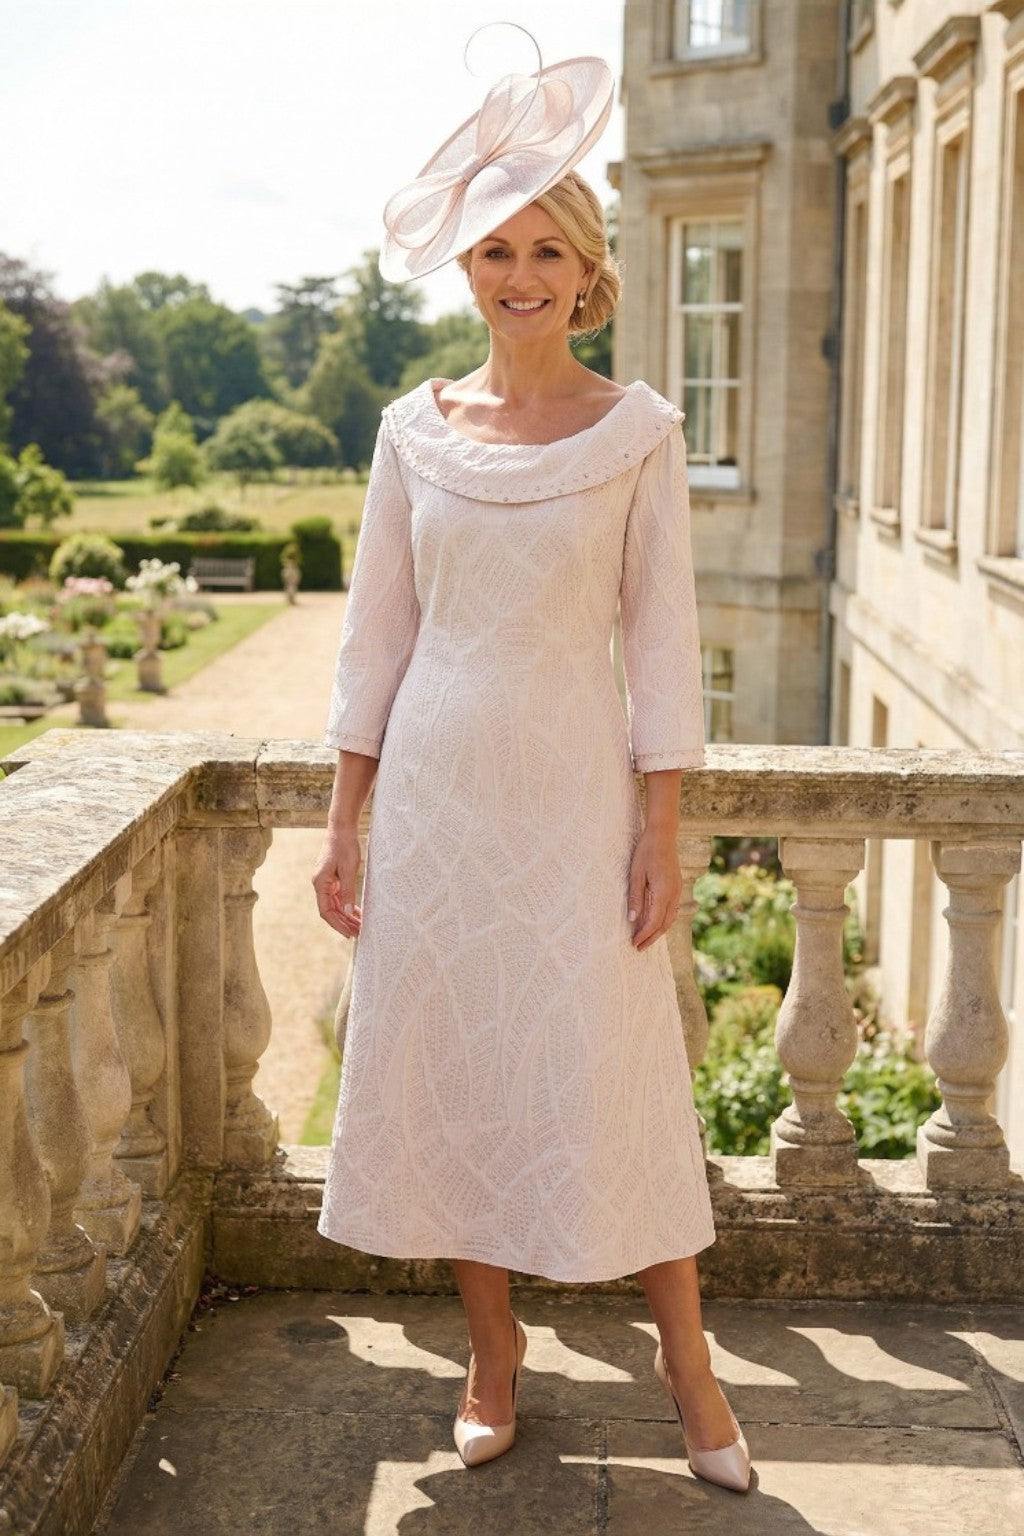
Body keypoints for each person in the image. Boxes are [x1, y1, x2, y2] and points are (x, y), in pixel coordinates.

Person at [311, 42, 752, 1493]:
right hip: (437, 807)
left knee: (611, 1078)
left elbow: (664, 648)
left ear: (588, 269)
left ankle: (693, 1374)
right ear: (469, 267)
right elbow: (374, 645)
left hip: (572, 808)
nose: (518, 273)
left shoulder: (637, 434)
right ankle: (493, 1357)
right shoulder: (409, 435)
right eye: (495, 248)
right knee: (459, 1079)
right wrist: (341, 829)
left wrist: (659, 828)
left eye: (545, 247)